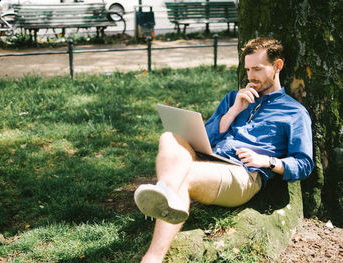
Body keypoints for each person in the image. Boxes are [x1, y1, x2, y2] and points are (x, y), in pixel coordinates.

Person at [134, 37, 314, 263]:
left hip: (242, 173)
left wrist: (267, 161)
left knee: (184, 174)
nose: (250, 76)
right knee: (169, 137)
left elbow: (304, 163)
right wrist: (234, 110)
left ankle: (152, 257)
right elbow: (205, 137)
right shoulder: (234, 97)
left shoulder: (294, 112)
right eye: (248, 69)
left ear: (277, 66)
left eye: (257, 69)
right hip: (211, 158)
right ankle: (167, 193)